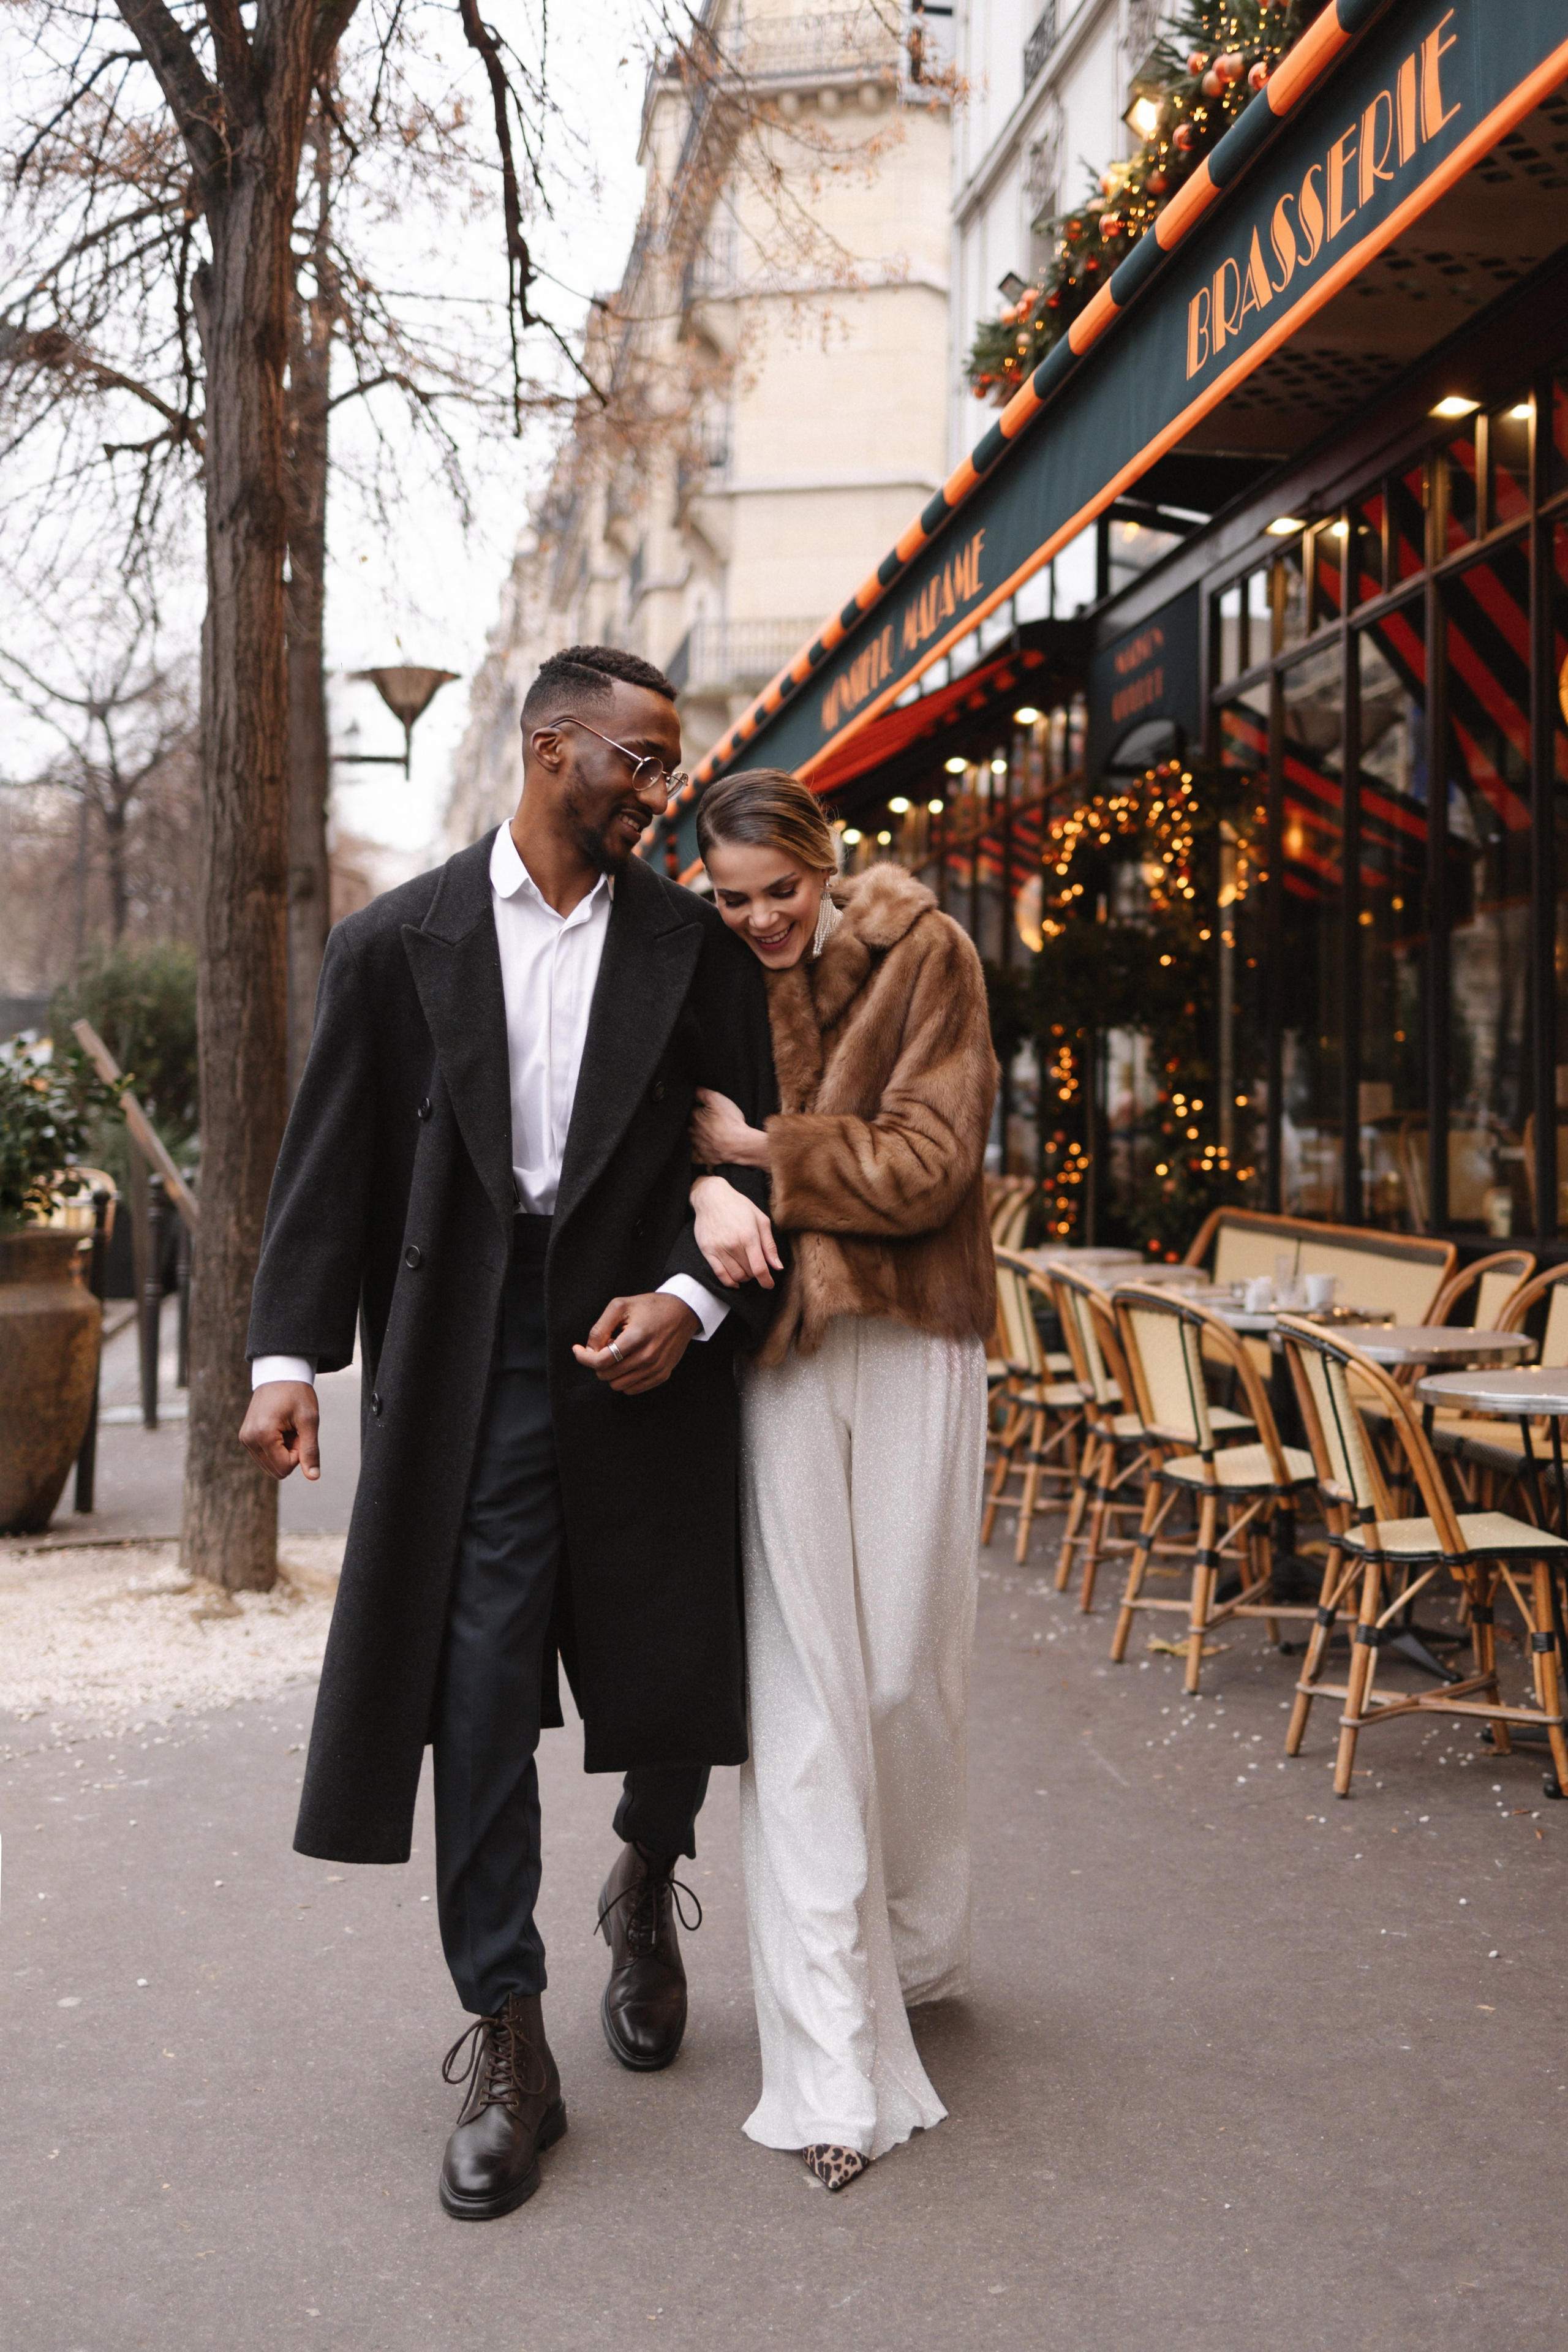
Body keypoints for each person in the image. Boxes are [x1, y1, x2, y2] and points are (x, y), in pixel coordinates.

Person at [239, 647, 782, 2223]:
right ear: (554, 750)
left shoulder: (694, 950)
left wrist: (690, 1295)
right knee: (476, 1693)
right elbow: (326, 1165)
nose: (663, 791)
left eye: (672, 765)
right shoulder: (392, 945)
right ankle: (506, 2031)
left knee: (667, 1671)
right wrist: (287, 1360)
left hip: (646, 1357)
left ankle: (642, 1882)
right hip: (471, 1369)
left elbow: (757, 1175)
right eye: (645, 761)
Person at [685, 769, 998, 2192]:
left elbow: (932, 1165)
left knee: (900, 1681)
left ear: (825, 864)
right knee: (806, 1686)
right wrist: (699, 1192)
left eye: (779, 892)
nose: (757, 920)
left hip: (918, 1336)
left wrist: (760, 1155)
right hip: (782, 1354)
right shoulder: (699, 969)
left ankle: (919, 1941)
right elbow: (644, 1135)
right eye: (730, 897)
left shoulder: (924, 949)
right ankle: (827, 2057)